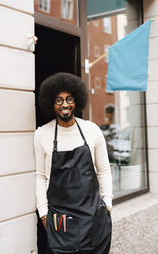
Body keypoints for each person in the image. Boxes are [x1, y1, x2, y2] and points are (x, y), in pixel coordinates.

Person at [34, 72, 112, 254]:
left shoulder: (91, 130)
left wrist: (107, 204)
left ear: (76, 101)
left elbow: (104, 170)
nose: (65, 105)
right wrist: (43, 213)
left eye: (69, 99)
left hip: (93, 218)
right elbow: (40, 176)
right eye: (59, 100)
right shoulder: (42, 135)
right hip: (60, 222)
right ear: (51, 104)